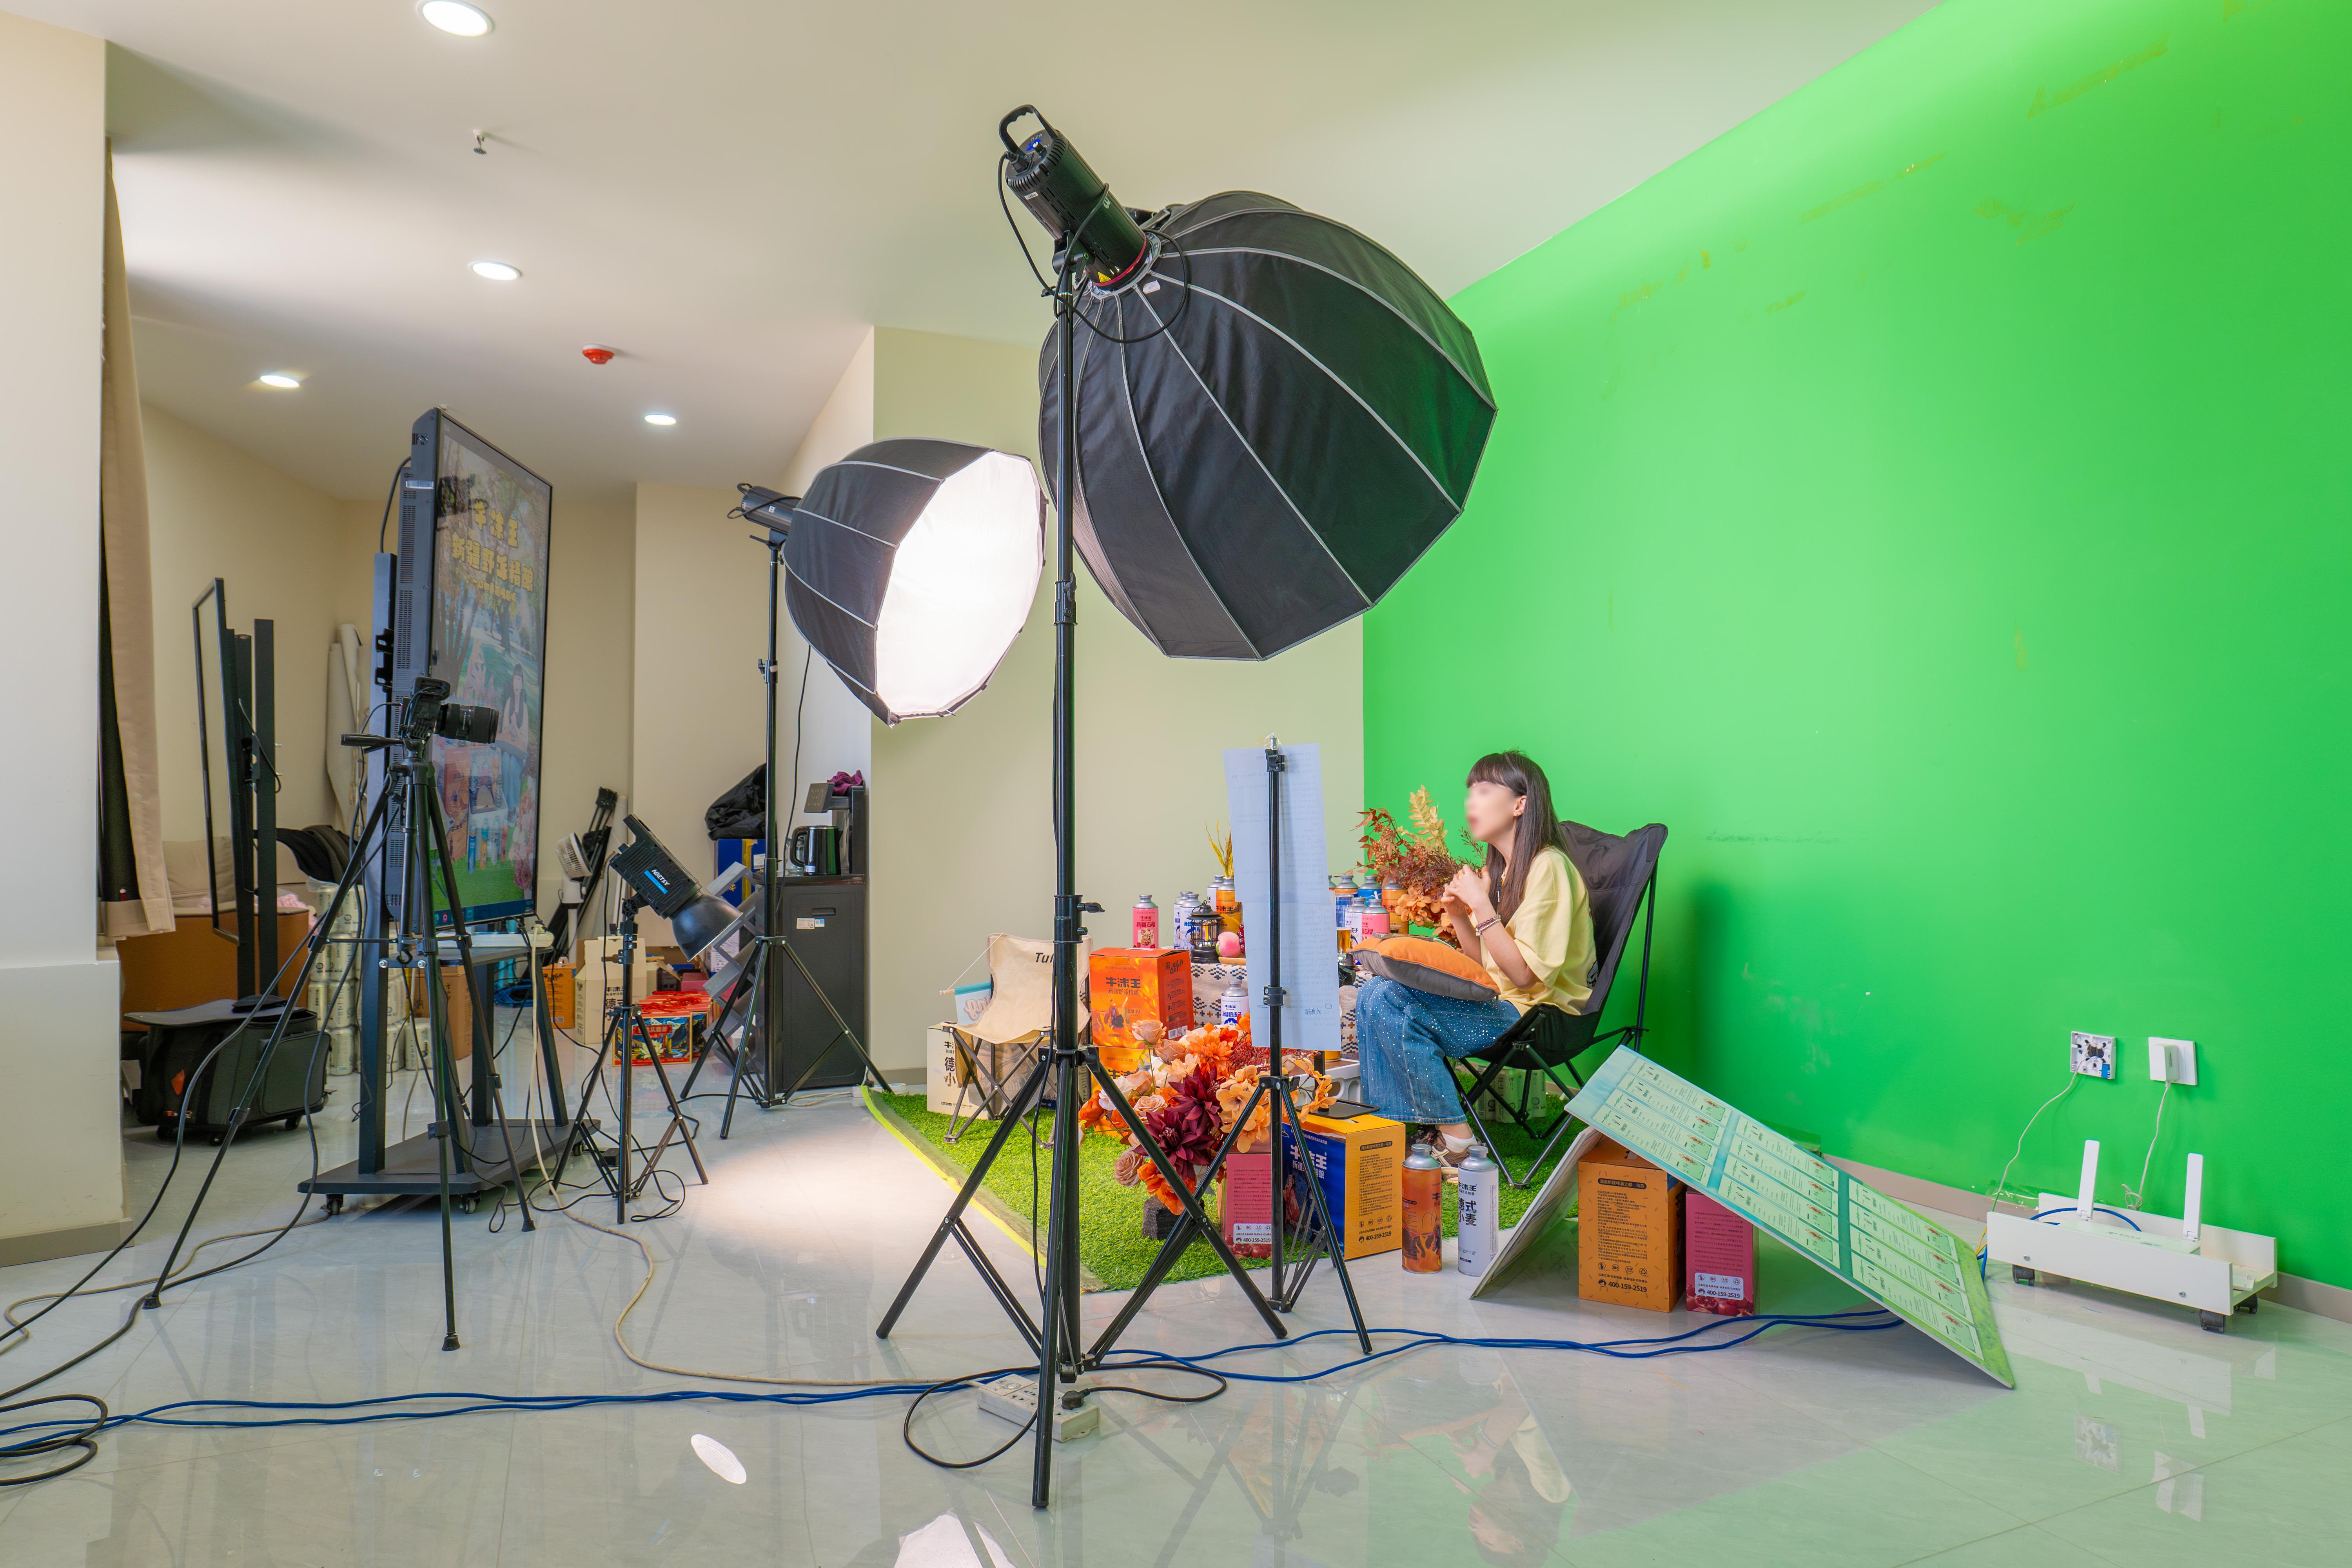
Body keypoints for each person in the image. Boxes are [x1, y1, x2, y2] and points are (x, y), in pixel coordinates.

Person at [1355, 751, 1596, 1165]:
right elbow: (1487, 969)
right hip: (1505, 1004)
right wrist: (1458, 913)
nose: (1471, 801)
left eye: (1484, 791)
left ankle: (1458, 1143)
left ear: (1520, 804)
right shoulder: (1505, 871)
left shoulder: (1549, 867)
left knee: (1392, 1000)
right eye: (1470, 792)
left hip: (1539, 1018)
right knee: (1374, 990)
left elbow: (1523, 976)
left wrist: (1483, 906)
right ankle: (1392, 1132)